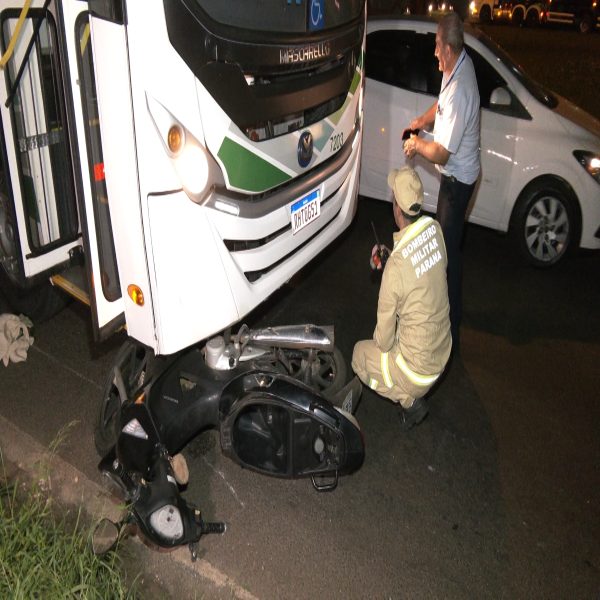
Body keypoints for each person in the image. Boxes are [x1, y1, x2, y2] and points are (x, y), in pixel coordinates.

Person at [350, 167, 452, 430]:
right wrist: (392, 260)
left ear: (397, 207)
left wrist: (390, 274)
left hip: (417, 371)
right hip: (443, 352)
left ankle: (409, 400)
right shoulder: (435, 229)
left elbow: (383, 342)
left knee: (360, 355)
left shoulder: (396, 268)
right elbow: (423, 272)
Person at [403, 11, 480, 353]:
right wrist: (422, 119)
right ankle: (447, 317)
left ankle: (448, 332)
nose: (434, 52)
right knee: (448, 246)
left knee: (447, 255)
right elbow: (441, 105)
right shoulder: (456, 68)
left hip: (458, 181)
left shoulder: (461, 87)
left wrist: (415, 144)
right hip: (457, 178)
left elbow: (442, 154)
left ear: (448, 48)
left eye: (436, 45)